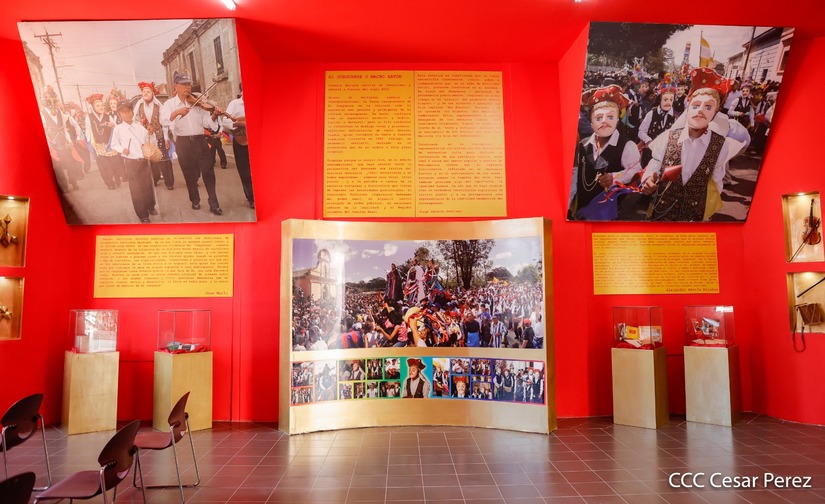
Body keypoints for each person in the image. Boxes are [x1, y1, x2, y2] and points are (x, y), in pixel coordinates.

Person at [640, 67, 746, 222]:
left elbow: (716, 181)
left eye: (708, 107)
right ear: (688, 108)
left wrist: (707, 213)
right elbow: (655, 163)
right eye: (696, 106)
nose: (700, 111)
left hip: (694, 217)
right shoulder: (668, 137)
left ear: (715, 112)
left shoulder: (720, 145)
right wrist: (648, 178)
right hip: (662, 213)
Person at [570, 84, 642, 220]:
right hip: (583, 210)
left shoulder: (627, 145)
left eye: (610, 117)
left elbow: (636, 170)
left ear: (617, 120)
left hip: (609, 213)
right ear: (591, 122)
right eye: (598, 118)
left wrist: (615, 177)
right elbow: (576, 175)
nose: (604, 122)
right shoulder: (583, 144)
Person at [161, 71, 224, 215]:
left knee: (208, 171)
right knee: (189, 173)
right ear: (176, 86)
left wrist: (215, 115)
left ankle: (214, 203)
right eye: (183, 84)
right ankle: (195, 200)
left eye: (189, 84)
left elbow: (207, 123)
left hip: (200, 140)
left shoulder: (198, 102)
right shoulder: (169, 104)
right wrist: (176, 112)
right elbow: (164, 121)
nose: (187, 87)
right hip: (183, 143)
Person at [109, 101, 156, 223]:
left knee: (147, 185)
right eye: (123, 112)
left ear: (132, 112)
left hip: (144, 160)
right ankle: (142, 214)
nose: (127, 114)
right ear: (119, 115)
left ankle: (151, 206)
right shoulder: (118, 129)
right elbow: (114, 144)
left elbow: (149, 141)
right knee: (136, 189)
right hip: (131, 162)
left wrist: (151, 133)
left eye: (129, 111)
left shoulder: (140, 127)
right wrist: (122, 150)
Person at [40, 86, 83, 192]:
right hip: (53, 145)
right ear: (45, 102)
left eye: (53, 100)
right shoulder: (42, 114)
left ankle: (73, 181)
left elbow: (64, 128)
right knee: (58, 167)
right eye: (49, 101)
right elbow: (43, 131)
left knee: (70, 163)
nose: (51, 103)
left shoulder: (60, 112)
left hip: (64, 143)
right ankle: (64, 187)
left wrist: (69, 141)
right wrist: (48, 146)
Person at [134, 81, 174, 190]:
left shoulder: (158, 106)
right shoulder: (139, 106)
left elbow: (164, 123)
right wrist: (143, 127)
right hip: (146, 137)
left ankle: (169, 183)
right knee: (149, 158)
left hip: (158, 135)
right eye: (144, 92)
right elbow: (136, 120)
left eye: (148, 91)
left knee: (163, 158)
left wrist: (166, 138)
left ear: (152, 93)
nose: (145, 93)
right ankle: (154, 179)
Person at [221, 83, 254, 208]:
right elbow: (225, 121)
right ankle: (251, 198)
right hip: (241, 140)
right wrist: (240, 124)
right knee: (244, 169)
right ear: (242, 91)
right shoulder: (234, 104)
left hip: (256, 139)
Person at [638, 77, 677, 167]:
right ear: (660, 100)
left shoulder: (675, 117)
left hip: (665, 154)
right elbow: (641, 131)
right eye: (665, 100)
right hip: (649, 153)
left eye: (671, 100)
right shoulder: (651, 114)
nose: (668, 103)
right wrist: (648, 141)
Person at [85, 93, 120, 190]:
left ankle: (117, 178)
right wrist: (89, 142)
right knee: (104, 166)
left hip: (110, 144)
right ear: (93, 107)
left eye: (102, 105)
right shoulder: (89, 117)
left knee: (115, 164)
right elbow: (88, 129)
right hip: (98, 145)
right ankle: (109, 183)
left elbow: (116, 128)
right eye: (98, 106)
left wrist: (112, 125)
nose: (101, 107)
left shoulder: (108, 116)